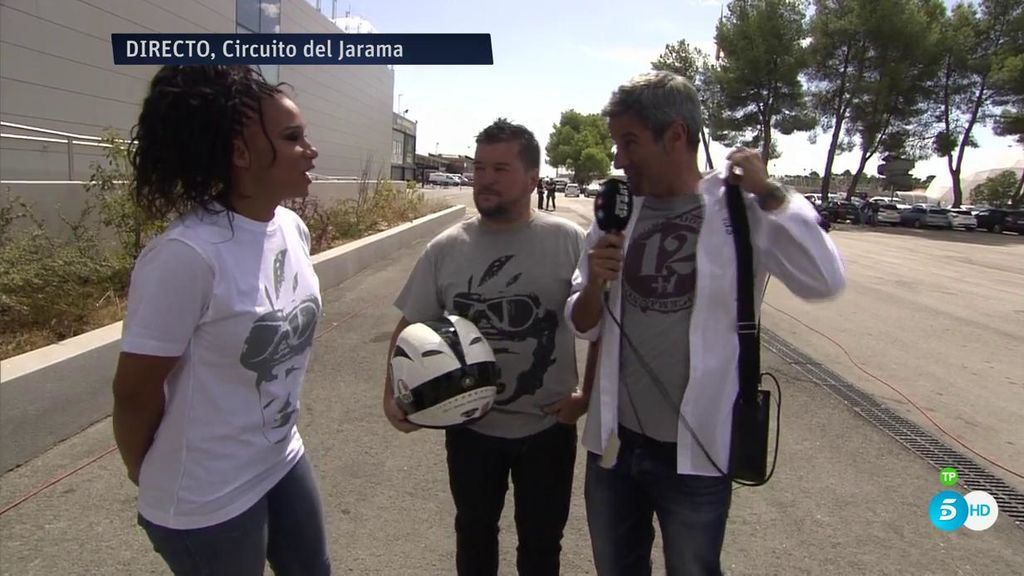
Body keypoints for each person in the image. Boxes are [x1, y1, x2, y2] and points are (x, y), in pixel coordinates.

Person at [566, 71, 846, 576]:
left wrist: (773, 192)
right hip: (614, 447)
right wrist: (594, 286)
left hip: (698, 452)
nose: (618, 159)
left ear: (675, 135)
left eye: (629, 142)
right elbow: (584, 325)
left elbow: (823, 280)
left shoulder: (739, 206)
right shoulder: (620, 211)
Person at [111, 65, 331, 575]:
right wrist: (148, 471)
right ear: (240, 153)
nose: (311, 149)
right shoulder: (187, 255)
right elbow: (134, 392)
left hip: (279, 457)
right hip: (205, 495)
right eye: (293, 137)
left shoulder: (291, 228)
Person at [383, 119, 598, 576]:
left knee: (542, 546)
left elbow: (599, 325)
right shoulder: (445, 249)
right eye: (480, 167)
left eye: (500, 168)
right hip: (470, 428)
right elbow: (409, 325)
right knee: (474, 536)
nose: (485, 178)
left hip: (548, 429)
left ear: (533, 178)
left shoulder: (569, 242)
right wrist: (391, 395)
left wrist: (585, 399)